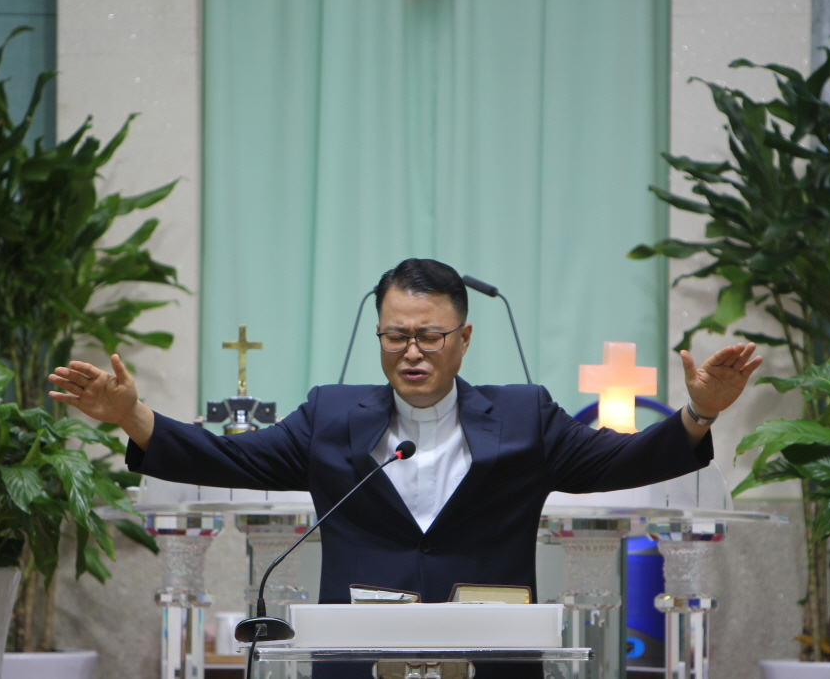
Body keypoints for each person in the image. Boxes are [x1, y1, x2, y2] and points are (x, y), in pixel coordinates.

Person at [49, 258, 762, 605]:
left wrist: (699, 413)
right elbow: (229, 460)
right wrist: (131, 416)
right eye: (395, 335)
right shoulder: (331, 417)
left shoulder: (524, 416)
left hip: (488, 656)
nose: (411, 352)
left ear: (463, 338)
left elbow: (621, 462)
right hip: (360, 658)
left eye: (429, 335)